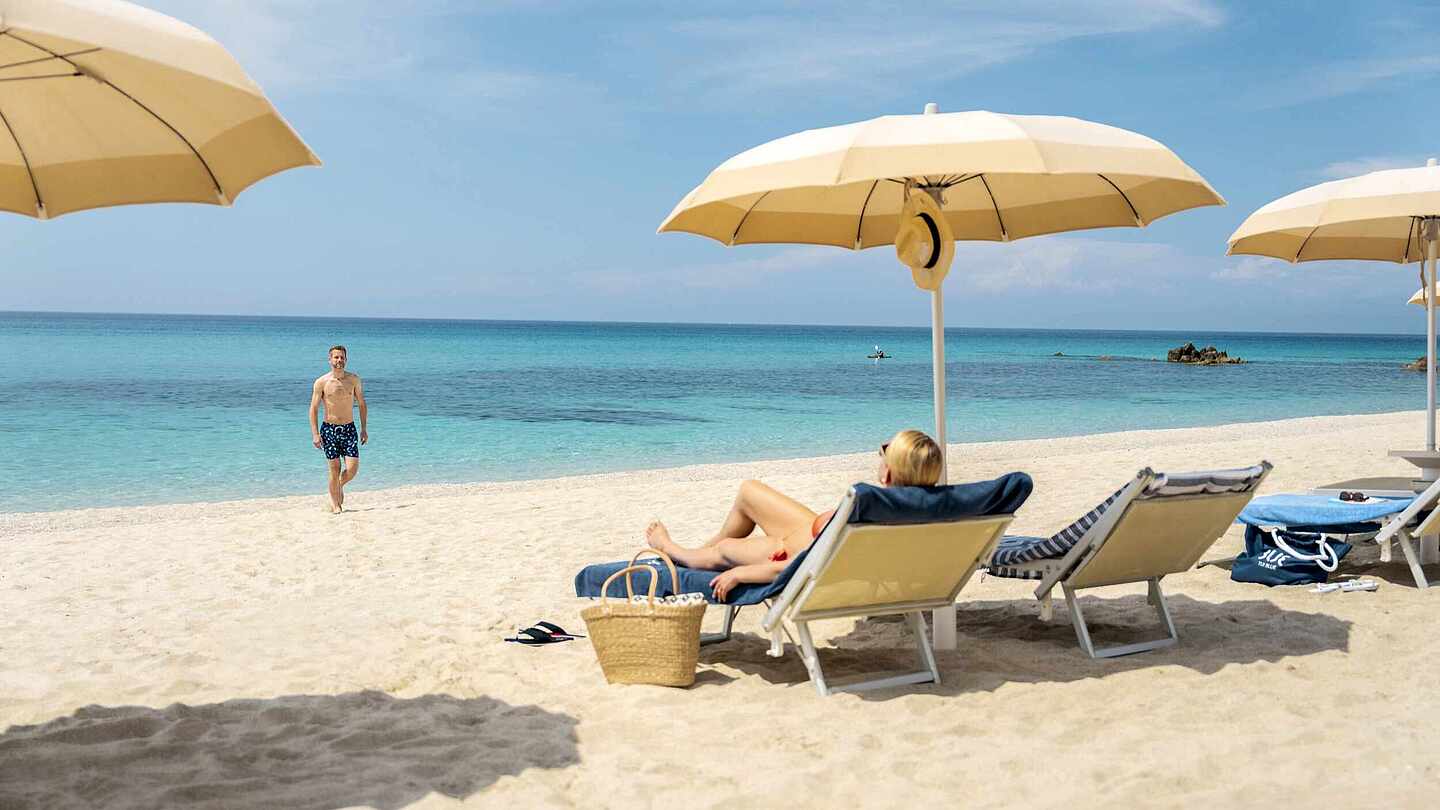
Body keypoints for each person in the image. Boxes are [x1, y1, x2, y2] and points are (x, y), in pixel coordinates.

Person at [644, 429, 943, 601]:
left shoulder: (868, 512)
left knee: (724, 550)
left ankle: (673, 551)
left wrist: (740, 573)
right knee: (749, 491)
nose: (880, 453)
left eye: (885, 452)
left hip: (786, 553)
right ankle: (699, 554)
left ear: (888, 473)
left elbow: (801, 567)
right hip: (809, 532)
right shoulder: (924, 508)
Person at [309, 345, 367, 513]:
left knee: (352, 469)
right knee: (334, 469)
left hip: (349, 429)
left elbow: (362, 404)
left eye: (342, 357)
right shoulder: (322, 382)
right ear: (330, 360)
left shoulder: (354, 380)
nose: (339, 360)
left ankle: (339, 485)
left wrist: (364, 428)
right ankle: (336, 505)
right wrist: (315, 434)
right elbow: (313, 408)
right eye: (336, 357)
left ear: (346, 360)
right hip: (329, 430)